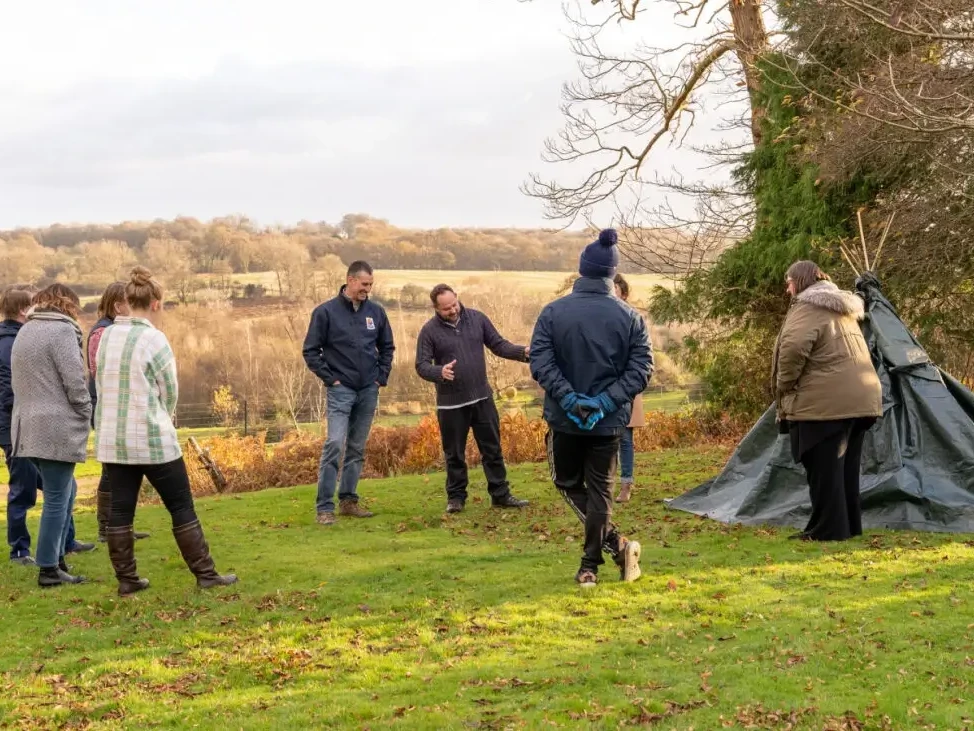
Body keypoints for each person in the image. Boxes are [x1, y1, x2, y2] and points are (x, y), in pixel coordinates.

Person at [95, 266, 237, 596]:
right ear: (156, 303)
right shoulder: (154, 339)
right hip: (152, 438)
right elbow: (169, 391)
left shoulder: (106, 337)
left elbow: (99, 382)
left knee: (120, 510)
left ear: (128, 300)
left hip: (114, 439)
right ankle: (206, 573)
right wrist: (161, 414)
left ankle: (127, 580)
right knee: (181, 506)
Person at [530, 229, 653, 587]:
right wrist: (604, 402)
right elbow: (642, 369)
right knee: (599, 490)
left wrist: (568, 398)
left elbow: (540, 360)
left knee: (566, 481)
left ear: (581, 270)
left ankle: (597, 560)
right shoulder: (629, 316)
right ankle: (605, 555)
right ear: (612, 274)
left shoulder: (553, 312)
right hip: (608, 421)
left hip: (565, 419)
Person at [773, 261, 882, 542]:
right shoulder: (841, 307)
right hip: (860, 399)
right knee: (844, 469)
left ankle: (827, 530)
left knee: (822, 468)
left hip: (825, 404)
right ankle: (848, 526)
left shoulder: (808, 307)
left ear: (800, 281)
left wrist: (784, 385)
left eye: (789, 281)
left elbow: (794, 348)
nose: (787, 288)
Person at [415, 284, 531, 513]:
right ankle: (456, 499)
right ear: (436, 308)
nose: (453, 310)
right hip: (451, 404)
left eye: (454, 304)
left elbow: (498, 345)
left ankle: (500, 494)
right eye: (446, 308)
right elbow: (421, 365)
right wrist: (439, 372)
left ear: (457, 298)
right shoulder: (429, 331)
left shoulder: (477, 319)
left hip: (482, 398)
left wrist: (522, 352)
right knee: (454, 454)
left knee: (492, 449)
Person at [11, 283, 92, 587]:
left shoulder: (26, 331)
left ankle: (57, 558)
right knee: (58, 497)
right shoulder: (61, 332)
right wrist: (87, 410)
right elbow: (74, 381)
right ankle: (48, 568)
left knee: (66, 490)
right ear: (68, 304)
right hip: (55, 427)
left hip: (27, 427)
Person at [302, 261, 395, 526]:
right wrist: (331, 380)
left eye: (371, 285)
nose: (368, 289)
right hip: (340, 391)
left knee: (356, 447)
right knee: (334, 444)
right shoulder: (325, 312)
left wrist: (380, 378)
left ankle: (348, 501)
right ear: (350, 280)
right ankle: (324, 507)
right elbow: (310, 351)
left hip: (369, 388)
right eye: (364, 284)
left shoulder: (376, 312)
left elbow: (387, 347)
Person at [87, 282, 149, 544]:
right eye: (128, 303)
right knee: (111, 471)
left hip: (119, 406)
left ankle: (121, 526)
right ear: (117, 305)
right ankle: (107, 527)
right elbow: (101, 371)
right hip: (109, 407)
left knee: (125, 470)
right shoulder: (103, 333)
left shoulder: (113, 330)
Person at [612, 273, 645, 503]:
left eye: (616, 290)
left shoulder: (633, 319)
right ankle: (606, 482)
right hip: (606, 384)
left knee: (624, 437)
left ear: (623, 293)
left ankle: (626, 484)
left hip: (627, 385)